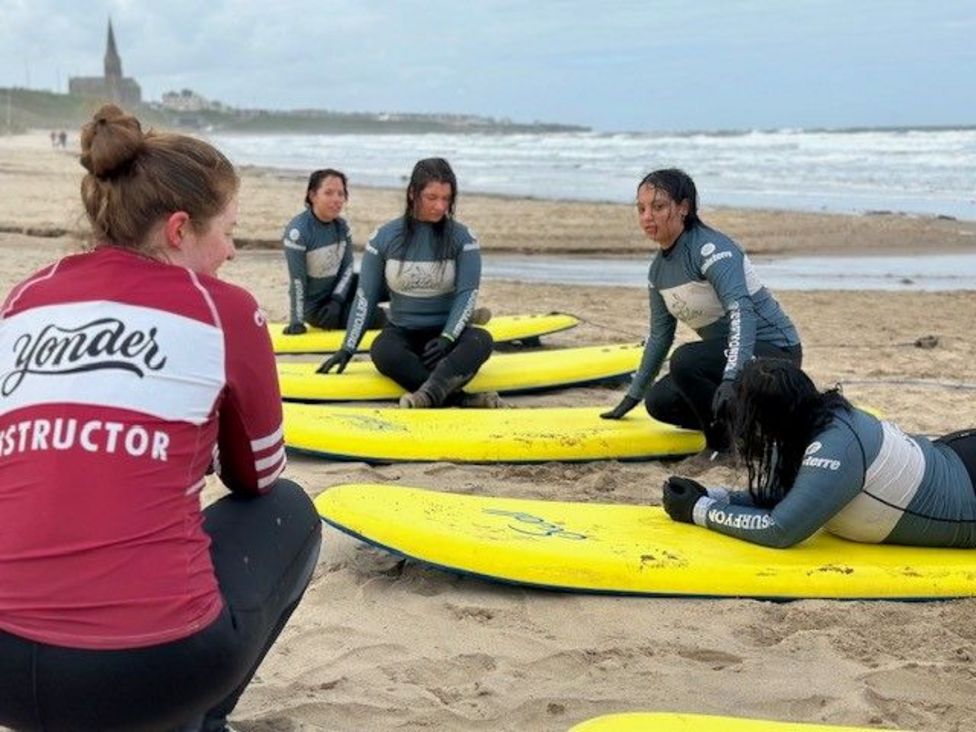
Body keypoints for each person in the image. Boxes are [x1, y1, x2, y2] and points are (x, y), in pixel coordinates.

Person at [0, 105, 322, 732]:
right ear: (179, 229)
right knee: (290, 511)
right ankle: (196, 721)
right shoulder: (223, 309)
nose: (231, 250)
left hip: (2, 673)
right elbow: (256, 477)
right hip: (144, 672)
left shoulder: (24, 298)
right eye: (227, 230)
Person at [662, 359, 976, 548]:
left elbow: (781, 529)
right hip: (950, 458)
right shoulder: (813, 422)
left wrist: (698, 510)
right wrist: (715, 496)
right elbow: (788, 495)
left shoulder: (836, 448)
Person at [601, 168, 802, 453]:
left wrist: (732, 377)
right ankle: (753, 427)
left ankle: (722, 445)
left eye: (658, 207)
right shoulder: (658, 271)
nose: (647, 216)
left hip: (777, 355)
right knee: (660, 401)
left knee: (685, 360)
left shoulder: (713, 250)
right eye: (641, 208)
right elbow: (659, 336)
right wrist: (633, 396)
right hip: (732, 358)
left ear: (684, 208)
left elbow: (741, 312)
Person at [317, 157, 498, 409]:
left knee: (481, 340)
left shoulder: (463, 238)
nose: (440, 206)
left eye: (446, 199)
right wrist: (347, 348)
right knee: (382, 350)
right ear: (413, 193)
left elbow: (467, 294)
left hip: (445, 335)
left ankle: (428, 395)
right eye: (432, 197)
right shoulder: (384, 238)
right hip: (404, 332)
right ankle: (458, 397)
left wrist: (447, 337)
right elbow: (366, 297)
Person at [280, 168, 384, 335]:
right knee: (378, 317)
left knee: (386, 282)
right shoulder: (298, 233)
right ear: (313, 196)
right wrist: (297, 322)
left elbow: (348, 269)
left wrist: (337, 299)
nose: (336, 199)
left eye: (340, 194)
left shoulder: (342, 227)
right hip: (319, 310)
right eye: (328, 193)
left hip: (339, 294)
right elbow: (298, 282)